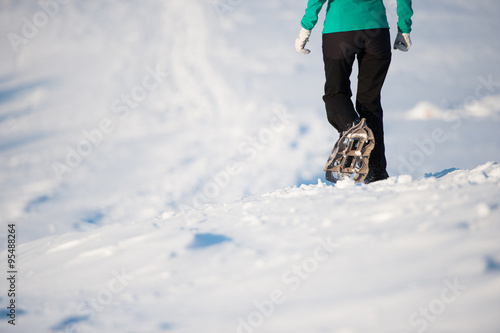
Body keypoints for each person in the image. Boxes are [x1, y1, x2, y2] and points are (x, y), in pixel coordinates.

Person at [295, 0, 413, 183]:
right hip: (377, 32)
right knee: (369, 102)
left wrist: (306, 28)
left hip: (339, 31)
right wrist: (404, 28)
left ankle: (352, 127)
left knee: (336, 93)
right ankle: (376, 173)